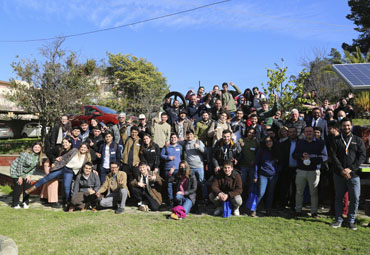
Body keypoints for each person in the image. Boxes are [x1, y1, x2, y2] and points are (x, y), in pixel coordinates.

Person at [26, 143, 92, 207]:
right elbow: (64, 156)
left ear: (87, 149)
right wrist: (56, 160)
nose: (83, 149)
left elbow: (88, 165)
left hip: (70, 172)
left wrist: (93, 170)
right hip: (62, 167)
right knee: (47, 178)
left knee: (67, 187)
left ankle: (67, 202)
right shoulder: (74, 150)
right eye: (82, 147)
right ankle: (31, 189)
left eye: (85, 148)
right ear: (79, 147)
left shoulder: (86, 158)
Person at [330, 118, 366, 230]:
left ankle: (351, 221)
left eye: (348, 125)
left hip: (353, 174)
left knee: (355, 198)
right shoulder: (335, 140)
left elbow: (362, 156)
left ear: (352, 126)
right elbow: (333, 156)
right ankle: (339, 220)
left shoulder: (358, 140)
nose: (346, 127)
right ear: (340, 127)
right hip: (338, 174)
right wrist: (342, 170)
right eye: (344, 125)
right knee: (339, 198)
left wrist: (350, 169)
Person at [293, 126, 328, 218]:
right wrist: (301, 155)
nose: (308, 133)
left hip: (313, 171)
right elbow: (294, 155)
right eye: (307, 131)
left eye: (310, 131)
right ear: (304, 133)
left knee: (314, 192)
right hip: (301, 171)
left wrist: (311, 157)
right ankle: (298, 210)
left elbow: (324, 157)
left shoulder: (320, 143)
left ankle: (314, 211)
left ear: (313, 132)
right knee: (299, 192)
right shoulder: (300, 143)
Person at [252, 136, 280, 216]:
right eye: (267, 141)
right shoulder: (261, 151)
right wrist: (255, 176)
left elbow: (280, 162)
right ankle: (254, 208)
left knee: (270, 193)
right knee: (261, 193)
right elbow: (256, 163)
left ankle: (268, 209)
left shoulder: (276, 151)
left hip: (273, 175)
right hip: (262, 175)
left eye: (270, 141)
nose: (269, 143)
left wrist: (277, 170)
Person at [10, 142, 43, 209]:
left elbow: (33, 168)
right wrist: (20, 176)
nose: (37, 149)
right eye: (35, 147)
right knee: (18, 186)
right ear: (32, 147)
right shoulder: (25, 154)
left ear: (41, 148)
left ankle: (25, 202)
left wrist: (29, 175)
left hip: (26, 172)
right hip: (16, 170)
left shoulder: (38, 156)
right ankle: (15, 203)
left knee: (28, 185)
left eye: (38, 147)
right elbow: (19, 165)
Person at [276, 127, 299, 210]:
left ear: (296, 132)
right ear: (288, 133)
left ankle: (293, 205)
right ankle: (283, 204)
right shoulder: (283, 144)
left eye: (293, 132)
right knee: (285, 187)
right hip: (286, 168)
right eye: (290, 132)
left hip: (297, 168)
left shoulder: (300, 143)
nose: (292, 133)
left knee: (295, 188)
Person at [161, 133, 183, 206]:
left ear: (177, 138)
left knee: (178, 184)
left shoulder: (180, 147)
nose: (173, 139)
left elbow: (182, 155)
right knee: (169, 185)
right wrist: (168, 157)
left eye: (175, 137)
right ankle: (170, 200)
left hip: (177, 169)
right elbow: (162, 155)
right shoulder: (167, 146)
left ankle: (177, 199)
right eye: (172, 137)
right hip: (168, 168)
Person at [239, 128, 259, 199]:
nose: (251, 134)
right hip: (243, 165)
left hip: (252, 166)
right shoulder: (242, 140)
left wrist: (254, 161)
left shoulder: (256, 142)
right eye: (249, 132)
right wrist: (240, 145)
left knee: (251, 183)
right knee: (242, 182)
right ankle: (240, 198)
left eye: (253, 133)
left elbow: (258, 153)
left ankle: (249, 199)